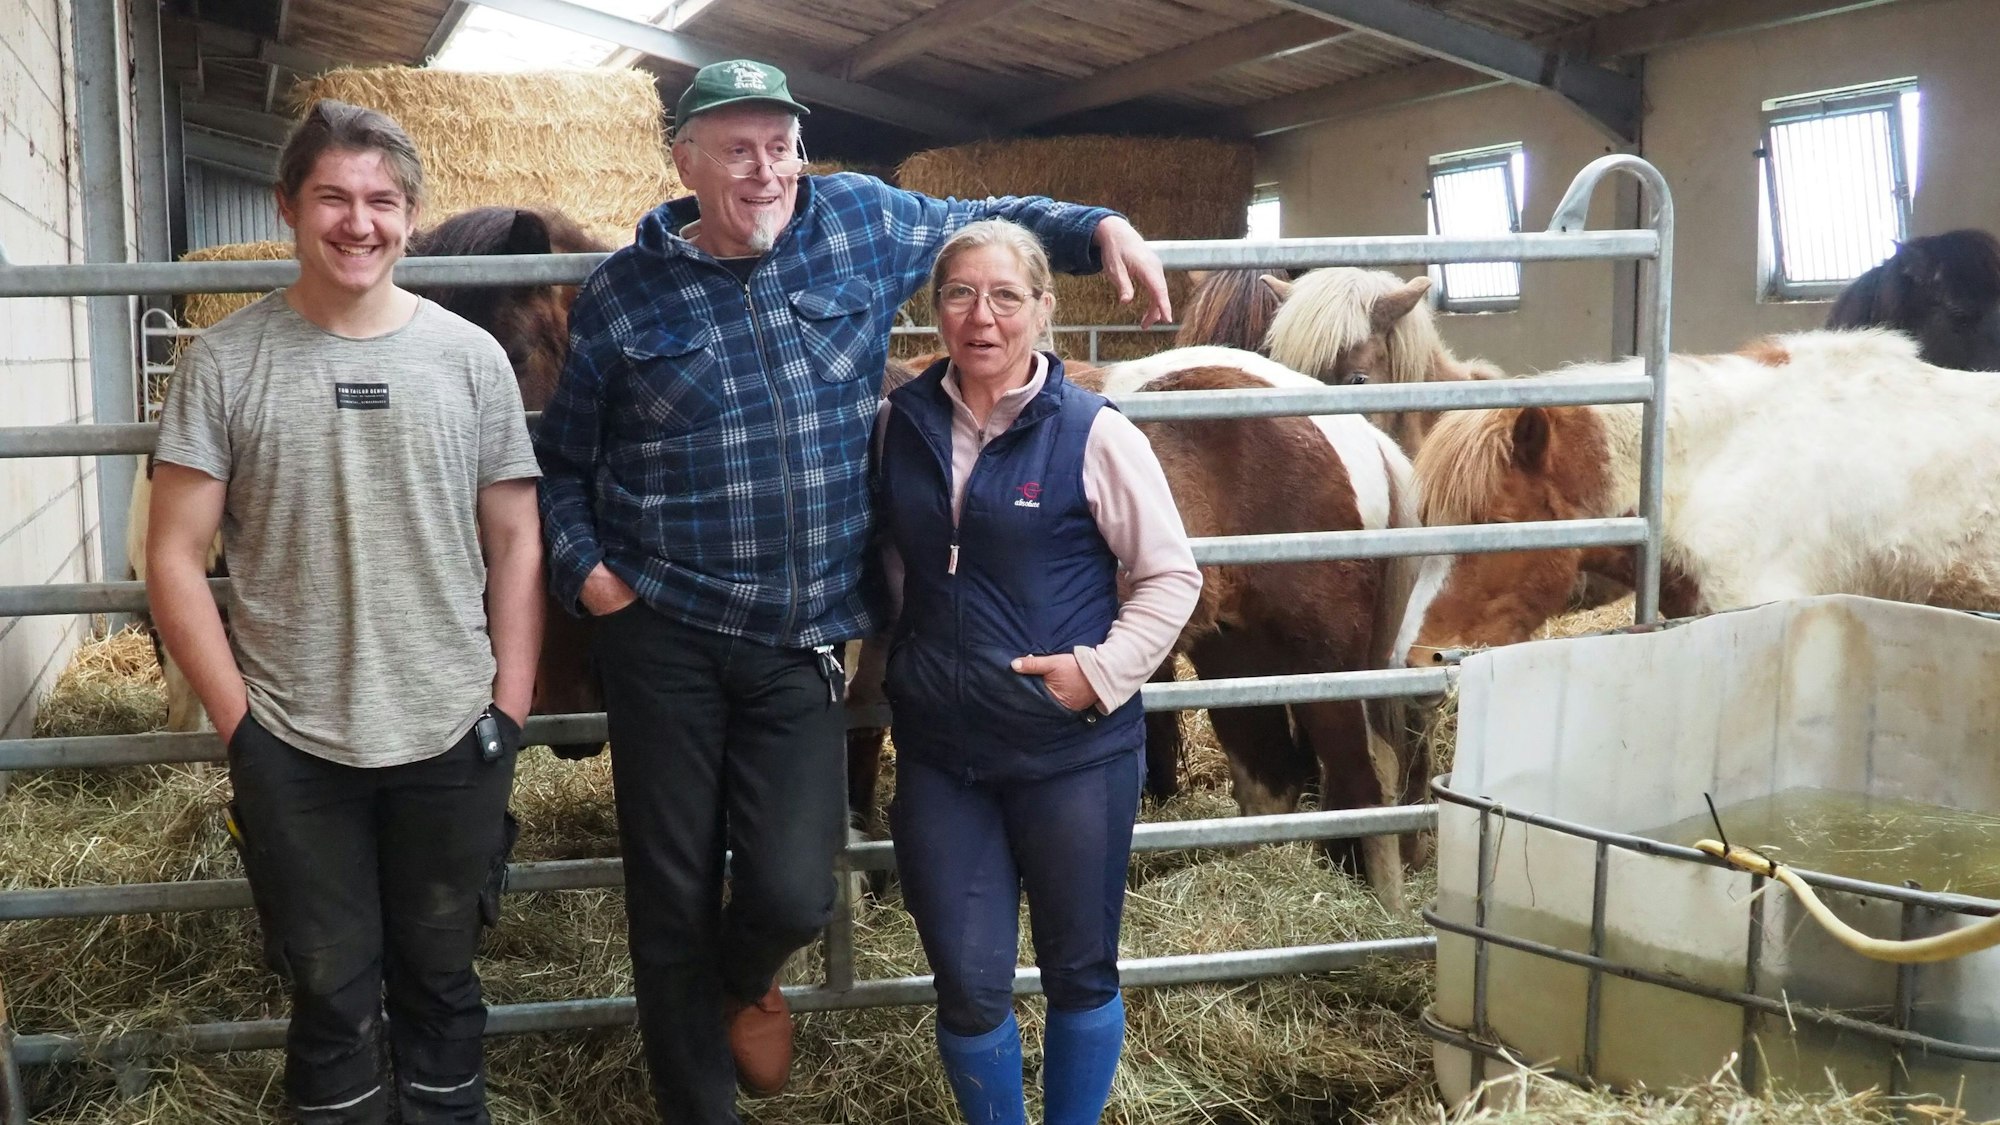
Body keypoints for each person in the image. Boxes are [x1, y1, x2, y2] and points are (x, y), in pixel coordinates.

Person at [532, 58, 1172, 1125]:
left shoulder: (859, 222)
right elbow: (562, 464)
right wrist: (589, 575)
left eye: (780, 144)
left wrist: (1094, 223)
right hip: (662, 632)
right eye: (736, 148)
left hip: (799, 638)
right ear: (682, 159)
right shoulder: (621, 293)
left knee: (792, 885)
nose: (765, 169)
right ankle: (699, 1106)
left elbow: (986, 227)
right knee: (668, 891)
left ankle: (740, 979)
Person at [146, 99, 545, 1125]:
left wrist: (506, 707)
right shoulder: (225, 363)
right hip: (294, 742)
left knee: (444, 978)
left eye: (380, 200)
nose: (357, 222)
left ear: (411, 216)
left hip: (450, 730)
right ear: (289, 206)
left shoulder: (470, 362)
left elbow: (514, 540)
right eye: (332, 196)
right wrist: (243, 729)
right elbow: (174, 557)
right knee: (325, 990)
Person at [873, 220, 1200, 1124]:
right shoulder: (899, 424)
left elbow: (1172, 574)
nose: (982, 316)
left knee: (1078, 967)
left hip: (1072, 753)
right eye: (960, 295)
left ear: (1044, 310)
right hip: (944, 754)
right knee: (970, 985)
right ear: (934, 310)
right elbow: (894, 564)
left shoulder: (1096, 433)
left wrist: (1099, 673)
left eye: (1006, 296)